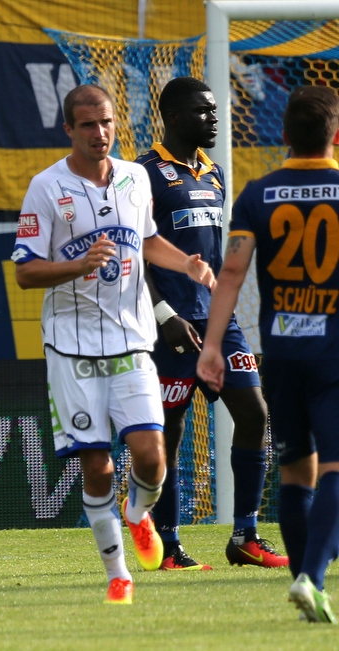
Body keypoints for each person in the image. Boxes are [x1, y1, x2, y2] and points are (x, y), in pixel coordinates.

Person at [14, 84, 215, 604]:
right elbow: (26, 272)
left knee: (152, 460)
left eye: (105, 123)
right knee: (98, 463)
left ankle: (138, 514)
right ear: (69, 130)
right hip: (71, 344)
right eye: (87, 125)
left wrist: (187, 263)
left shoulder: (134, 177)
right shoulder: (45, 187)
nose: (99, 133)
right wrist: (76, 266)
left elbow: (147, 240)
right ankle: (117, 574)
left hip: (130, 338)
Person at [199, 85, 339, 623]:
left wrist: (212, 347)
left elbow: (230, 274)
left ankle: (308, 590)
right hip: (333, 354)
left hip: (280, 354)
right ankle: (312, 577)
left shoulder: (258, 193)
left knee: (294, 472)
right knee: (335, 468)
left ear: (282, 136)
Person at [135, 77, 287, 571]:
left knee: (255, 414)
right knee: (169, 435)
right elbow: (134, 254)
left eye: (216, 111)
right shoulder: (143, 174)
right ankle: (169, 544)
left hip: (218, 323)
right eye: (204, 112)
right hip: (169, 328)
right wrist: (165, 316)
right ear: (173, 117)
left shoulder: (215, 172)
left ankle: (245, 535)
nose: (215, 119)